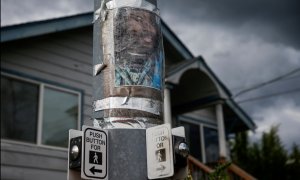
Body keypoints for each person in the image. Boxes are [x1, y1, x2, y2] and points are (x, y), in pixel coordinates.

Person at [114, 7, 163, 90]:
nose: (149, 29)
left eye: (152, 22)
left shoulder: (155, 67)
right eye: (138, 19)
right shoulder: (112, 64)